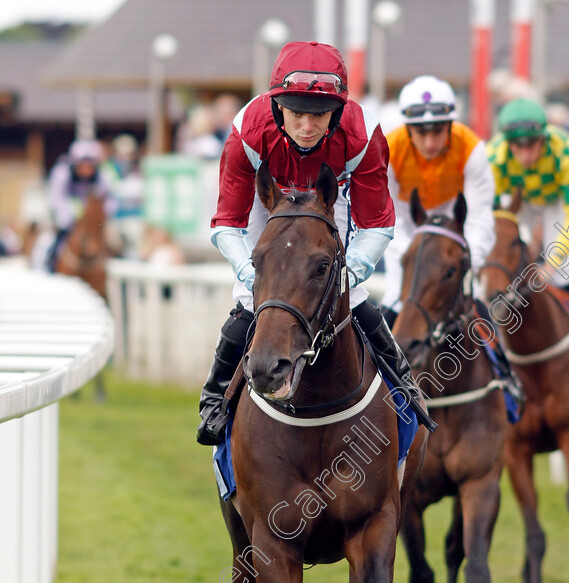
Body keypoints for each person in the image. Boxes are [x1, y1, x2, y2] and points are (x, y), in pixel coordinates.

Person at [197, 40, 434, 446]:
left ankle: (405, 388)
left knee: (352, 295)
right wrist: (249, 270)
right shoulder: (248, 131)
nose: (307, 128)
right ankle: (214, 399)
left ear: (338, 111)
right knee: (252, 296)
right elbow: (227, 224)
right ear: (277, 108)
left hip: (329, 197)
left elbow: (377, 223)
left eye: (320, 116)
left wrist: (352, 269)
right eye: (296, 114)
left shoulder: (363, 134)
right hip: (267, 200)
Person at [381, 74, 523, 412]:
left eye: (437, 130)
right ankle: (381, 390)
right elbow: (388, 216)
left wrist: (464, 260)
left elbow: (479, 215)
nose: (430, 140)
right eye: (421, 132)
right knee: (391, 300)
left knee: (478, 302)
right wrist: (412, 261)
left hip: (455, 221)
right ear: (408, 130)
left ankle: (506, 377)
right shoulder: (387, 149)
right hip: (409, 226)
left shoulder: (471, 146)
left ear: (450, 125)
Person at [487, 98, 569, 290]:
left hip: (554, 200)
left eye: (531, 144)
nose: (525, 155)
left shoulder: (563, 150)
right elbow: (490, 215)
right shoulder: (493, 156)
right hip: (518, 200)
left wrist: (551, 264)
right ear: (508, 142)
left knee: (562, 269)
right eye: (517, 145)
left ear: (543, 137)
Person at [46, 138, 116, 272]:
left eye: (90, 165)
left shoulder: (103, 175)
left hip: (95, 221)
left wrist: (103, 214)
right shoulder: (62, 173)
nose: (86, 169)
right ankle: (49, 262)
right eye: (83, 165)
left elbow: (110, 198)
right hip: (68, 218)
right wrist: (68, 214)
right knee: (52, 240)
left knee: (114, 241)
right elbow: (56, 197)